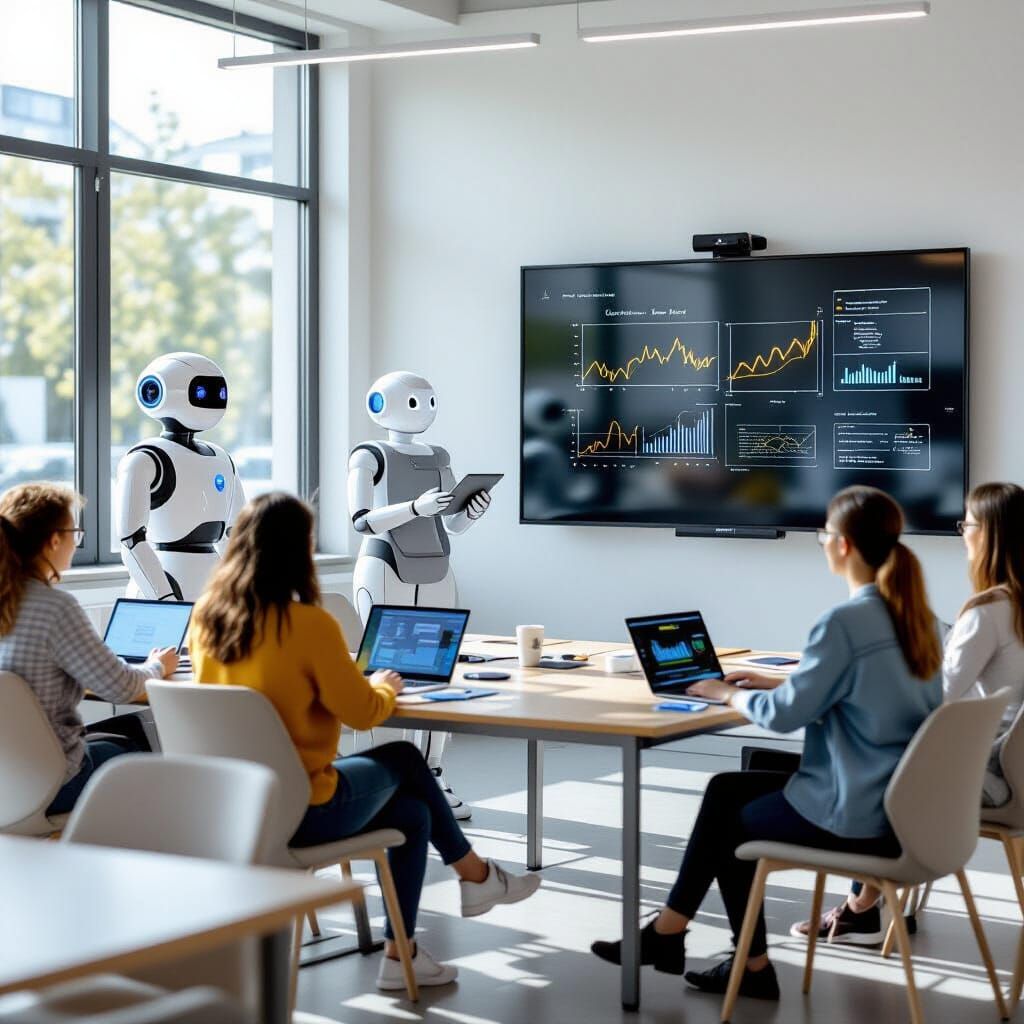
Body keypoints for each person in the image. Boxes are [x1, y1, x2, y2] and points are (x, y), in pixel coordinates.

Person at [591, 485, 943, 1001]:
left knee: (730, 821)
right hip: (901, 807)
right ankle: (690, 939)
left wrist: (722, 693)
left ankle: (704, 946)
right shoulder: (920, 619)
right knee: (727, 788)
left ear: (842, 545)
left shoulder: (845, 622)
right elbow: (867, 691)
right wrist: (777, 680)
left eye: (824, 532)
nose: (821, 541)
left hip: (856, 816)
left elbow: (781, 720)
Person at [188, 491, 539, 991]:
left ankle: (407, 951)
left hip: (234, 808)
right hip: (302, 810)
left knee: (414, 815)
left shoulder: (207, 621)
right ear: (298, 552)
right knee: (402, 755)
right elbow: (361, 713)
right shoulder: (309, 625)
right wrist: (384, 686)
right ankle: (475, 878)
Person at [794, 481, 1024, 945]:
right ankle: (873, 901)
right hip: (1017, 769)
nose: (964, 533)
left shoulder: (988, 612)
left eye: (969, 524)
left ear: (991, 535)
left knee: (874, 765)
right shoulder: (1014, 607)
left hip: (989, 773)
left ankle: (863, 907)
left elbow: (934, 699)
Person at [0, 483, 179, 815]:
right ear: (54, 540)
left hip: (8, 781)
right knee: (151, 746)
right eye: (75, 532)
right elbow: (121, 687)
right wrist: (158, 666)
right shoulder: (55, 607)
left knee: (125, 731)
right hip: (53, 782)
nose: (74, 541)